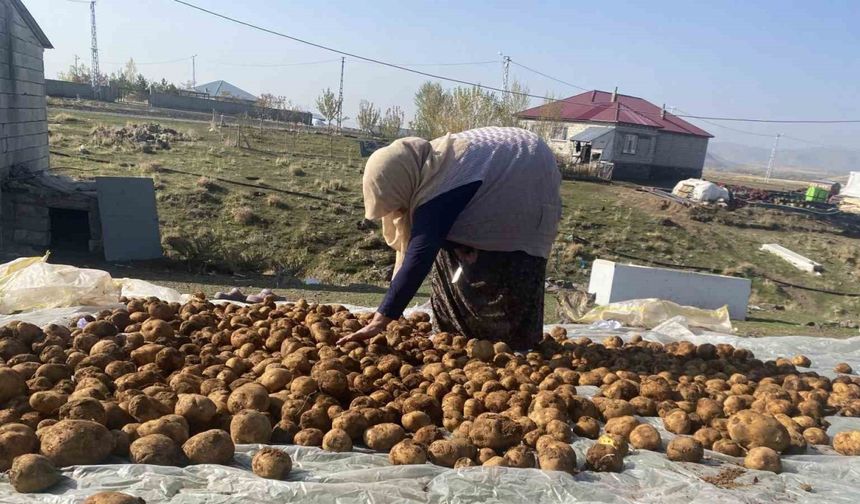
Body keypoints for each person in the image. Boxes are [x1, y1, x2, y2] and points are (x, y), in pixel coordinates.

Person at [337, 126, 561, 351]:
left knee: (501, 274)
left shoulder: (442, 183)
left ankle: (507, 345)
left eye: (395, 202)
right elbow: (425, 236)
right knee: (450, 256)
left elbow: (419, 257)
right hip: (504, 168)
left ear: (400, 181)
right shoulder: (426, 165)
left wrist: (381, 320)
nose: (397, 211)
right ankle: (458, 337)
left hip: (526, 174)